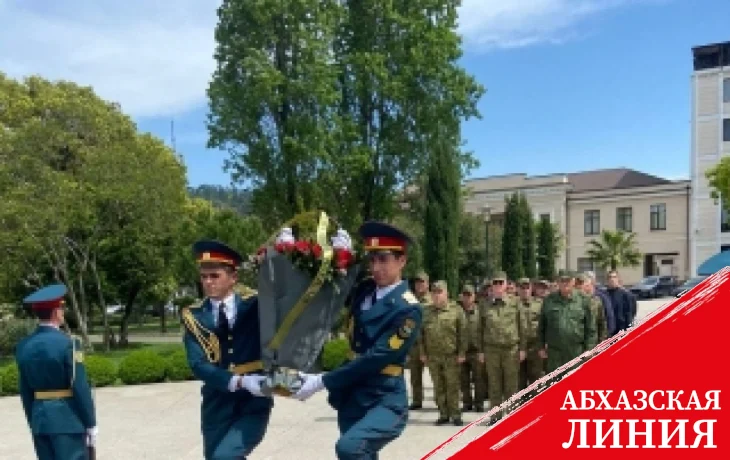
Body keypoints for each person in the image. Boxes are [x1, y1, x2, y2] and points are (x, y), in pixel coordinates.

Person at [292, 221, 424, 459]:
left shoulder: (408, 309)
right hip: (353, 394)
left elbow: (377, 357)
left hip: (383, 396)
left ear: (402, 261)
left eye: (384, 259)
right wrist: (334, 260)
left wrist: (323, 380)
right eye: (372, 260)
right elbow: (327, 292)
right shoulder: (364, 290)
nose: (376, 267)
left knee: (349, 448)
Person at [181, 240, 273, 460]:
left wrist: (270, 268)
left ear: (233, 278)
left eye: (215, 276)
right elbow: (198, 364)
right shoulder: (194, 315)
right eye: (204, 277)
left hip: (253, 400)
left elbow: (283, 301)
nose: (208, 282)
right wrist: (236, 381)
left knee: (225, 456)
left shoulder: (254, 305)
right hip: (216, 402)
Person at [15, 283, 98, 460]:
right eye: (61, 307)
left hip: (40, 421)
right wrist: (91, 423)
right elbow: (79, 385)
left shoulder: (23, 346)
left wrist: (34, 422)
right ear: (55, 312)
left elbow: (25, 389)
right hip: (67, 420)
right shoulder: (68, 343)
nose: (62, 311)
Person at [421, 280, 467, 425]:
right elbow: (420, 335)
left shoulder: (456, 310)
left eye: (439, 292)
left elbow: (463, 333)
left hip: (451, 355)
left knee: (452, 386)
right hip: (433, 356)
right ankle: (443, 414)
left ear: (446, 293)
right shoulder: (426, 311)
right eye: (434, 293)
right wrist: (423, 353)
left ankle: (455, 414)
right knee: (438, 386)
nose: (436, 296)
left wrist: (461, 353)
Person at [482, 272, 525, 419]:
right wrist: (481, 351)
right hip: (491, 349)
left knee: (511, 384)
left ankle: (512, 415)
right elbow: (479, 329)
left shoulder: (515, 303)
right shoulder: (485, 304)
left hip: (511, 349)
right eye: (496, 283)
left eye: (501, 283)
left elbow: (522, 326)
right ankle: (495, 415)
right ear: (491, 286)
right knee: (494, 383)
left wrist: (523, 348)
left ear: (506, 285)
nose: (498, 286)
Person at [538, 270, 598, 373]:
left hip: (576, 351)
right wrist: (541, 346)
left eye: (568, 280)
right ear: (558, 282)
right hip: (555, 353)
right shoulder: (549, 300)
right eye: (562, 280)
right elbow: (542, 326)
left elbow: (591, 328)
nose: (565, 283)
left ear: (573, 282)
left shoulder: (583, 300)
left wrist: (589, 349)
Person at [458, 284, 485, 412]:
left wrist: (483, 351)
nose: (467, 298)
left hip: (476, 351)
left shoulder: (480, 312)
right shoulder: (457, 312)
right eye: (465, 295)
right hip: (462, 352)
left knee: (479, 379)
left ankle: (479, 403)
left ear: (474, 296)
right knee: (464, 380)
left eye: (469, 295)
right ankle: (467, 403)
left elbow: (485, 331)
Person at [407, 270, 431, 410]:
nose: (419, 285)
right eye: (417, 282)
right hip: (414, 344)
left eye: (422, 282)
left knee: (437, 376)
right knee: (415, 375)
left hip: (430, 343)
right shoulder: (410, 300)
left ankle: (443, 403)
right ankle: (417, 400)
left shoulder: (432, 299)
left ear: (427, 284)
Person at [516, 278, 544, 390]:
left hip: (535, 345)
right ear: (517, 289)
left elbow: (544, 324)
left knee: (536, 377)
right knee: (519, 378)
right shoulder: (512, 304)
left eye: (527, 287)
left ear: (531, 288)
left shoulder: (539, 304)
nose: (525, 290)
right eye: (522, 288)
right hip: (517, 346)